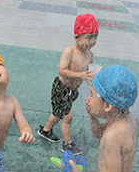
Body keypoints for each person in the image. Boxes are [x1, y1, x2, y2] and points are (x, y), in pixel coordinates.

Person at [37, 13, 99, 156]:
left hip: (72, 91)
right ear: (77, 37)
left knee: (58, 114)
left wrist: (95, 76)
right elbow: (62, 70)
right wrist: (80, 75)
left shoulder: (90, 55)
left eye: (95, 37)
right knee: (67, 116)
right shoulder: (69, 51)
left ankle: (45, 131)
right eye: (88, 37)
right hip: (61, 87)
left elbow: (89, 72)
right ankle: (67, 143)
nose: (92, 41)